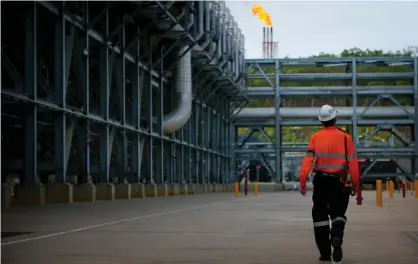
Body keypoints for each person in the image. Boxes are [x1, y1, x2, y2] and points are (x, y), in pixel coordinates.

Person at [299, 104, 360, 263]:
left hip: (321, 182)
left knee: (319, 216)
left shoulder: (315, 138)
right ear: (335, 118)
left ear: (321, 121)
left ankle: (325, 253)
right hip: (339, 182)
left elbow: (308, 160)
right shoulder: (346, 138)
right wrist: (355, 184)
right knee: (338, 213)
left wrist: (303, 180)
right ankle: (337, 236)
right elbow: (353, 163)